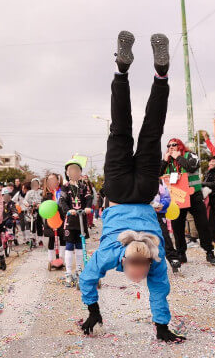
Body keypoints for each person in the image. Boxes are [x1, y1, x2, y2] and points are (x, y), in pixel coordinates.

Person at [78, 31, 183, 343]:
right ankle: (122, 72)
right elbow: (87, 278)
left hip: (144, 191)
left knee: (152, 131)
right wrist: (92, 308)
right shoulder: (112, 255)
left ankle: (159, 77)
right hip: (120, 189)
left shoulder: (156, 256)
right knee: (120, 130)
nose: (138, 276)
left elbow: (88, 280)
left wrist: (94, 311)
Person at [161, 138, 215, 265]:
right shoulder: (168, 161)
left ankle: (209, 251)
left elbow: (192, 167)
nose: (171, 147)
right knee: (177, 226)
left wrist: (179, 157)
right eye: (169, 145)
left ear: (180, 145)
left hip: (194, 195)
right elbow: (158, 174)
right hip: (177, 198)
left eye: (174, 145)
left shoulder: (189, 155)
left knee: (202, 224)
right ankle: (181, 253)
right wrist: (165, 161)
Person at [59, 159, 93, 285]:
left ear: (80, 173)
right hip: (70, 220)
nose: (74, 172)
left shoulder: (84, 186)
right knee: (69, 245)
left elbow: (89, 198)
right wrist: (68, 210)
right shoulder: (65, 187)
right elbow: (62, 200)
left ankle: (79, 270)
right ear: (67, 173)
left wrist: (88, 207)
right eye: (71, 170)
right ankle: (68, 272)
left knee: (80, 245)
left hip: (81, 219)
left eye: (77, 170)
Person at [151, 180, 180, 272]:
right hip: (144, 214)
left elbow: (167, 197)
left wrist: (162, 205)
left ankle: (172, 258)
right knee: (145, 237)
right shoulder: (138, 178)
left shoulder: (160, 182)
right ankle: (147, 261)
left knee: (164, 235)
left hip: (159, 214)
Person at [42, 173, 65, 260]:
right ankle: (50, 259)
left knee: (63, 237)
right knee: (51, 239)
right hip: (51, 219)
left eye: (53, 180)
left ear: (58, 181)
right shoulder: (46, 194)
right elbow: (44, 206)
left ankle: (62, 257)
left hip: (61, 218)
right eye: (49, 181)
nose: (52, 182)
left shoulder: (62, 191)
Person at [24, 178, 44, 246]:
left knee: (39, 224)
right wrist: (26, 203)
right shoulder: (29, 192)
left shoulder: (42, 192)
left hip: (40, 209)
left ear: (38, 184)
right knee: (32, 223)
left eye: (36, 183)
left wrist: (40, 204)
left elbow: (44, 200)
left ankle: (40, 239)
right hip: (31, 209)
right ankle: (33, 238)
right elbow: (25, 200)